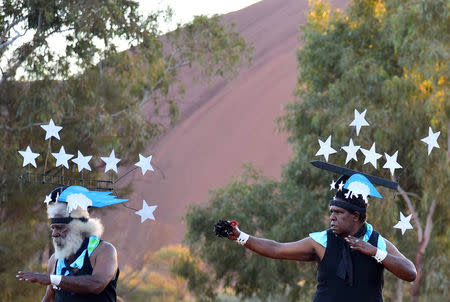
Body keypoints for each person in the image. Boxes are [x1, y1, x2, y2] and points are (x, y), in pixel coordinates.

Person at [223, 173, 417, 302]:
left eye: (338, 212)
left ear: (355, 216)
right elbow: (277, 249)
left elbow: (410, 273)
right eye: (331, 211)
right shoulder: (321, 242)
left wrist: (375, 252)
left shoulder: (378, 243)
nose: (331, 217)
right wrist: (240, 236)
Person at [16, 186, 126, 302]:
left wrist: (53, 279)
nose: (54, 234)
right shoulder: (55, 260)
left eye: (60, 228)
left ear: (78, 228)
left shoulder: (103, 251)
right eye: (53, 228)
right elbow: (50, 297)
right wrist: (52, 279)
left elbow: (96, 284)